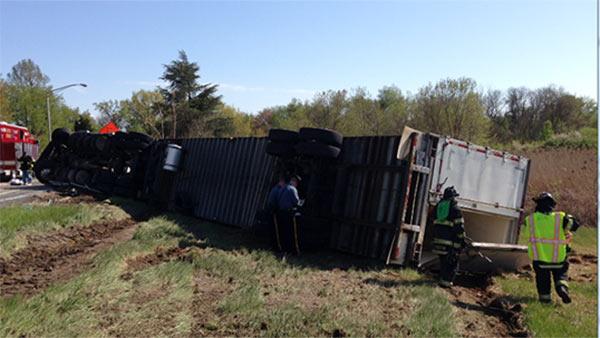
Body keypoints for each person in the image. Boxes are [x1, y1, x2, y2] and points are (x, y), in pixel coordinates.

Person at [524, 192, 579, 304]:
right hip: (559, 258)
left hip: (540, 259)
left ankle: (545, 300)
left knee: (542, 280)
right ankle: (561, 288)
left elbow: (528, 233)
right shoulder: (561, 218)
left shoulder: (530, 219)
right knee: (561, 275)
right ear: (552, 205)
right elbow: (575, 225)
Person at [432, 186, 466, 288]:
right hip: (450, 242)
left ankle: (441, 279)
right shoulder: (455, 209)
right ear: (452, 197)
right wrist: (462, 240)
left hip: (438, 241)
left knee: (443, 262)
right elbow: (459, 227)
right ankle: (446, 284)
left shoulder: (438, 207)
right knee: (452, 263)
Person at [273, 175, 302, 254]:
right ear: (295, 182)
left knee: (282, 232)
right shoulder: (293, 189)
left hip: (280, 212)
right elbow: (296, 201)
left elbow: (277, 199)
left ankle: (282, 249)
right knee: (291, 232)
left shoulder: (282, 188)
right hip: (289, 213)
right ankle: (293, 251)